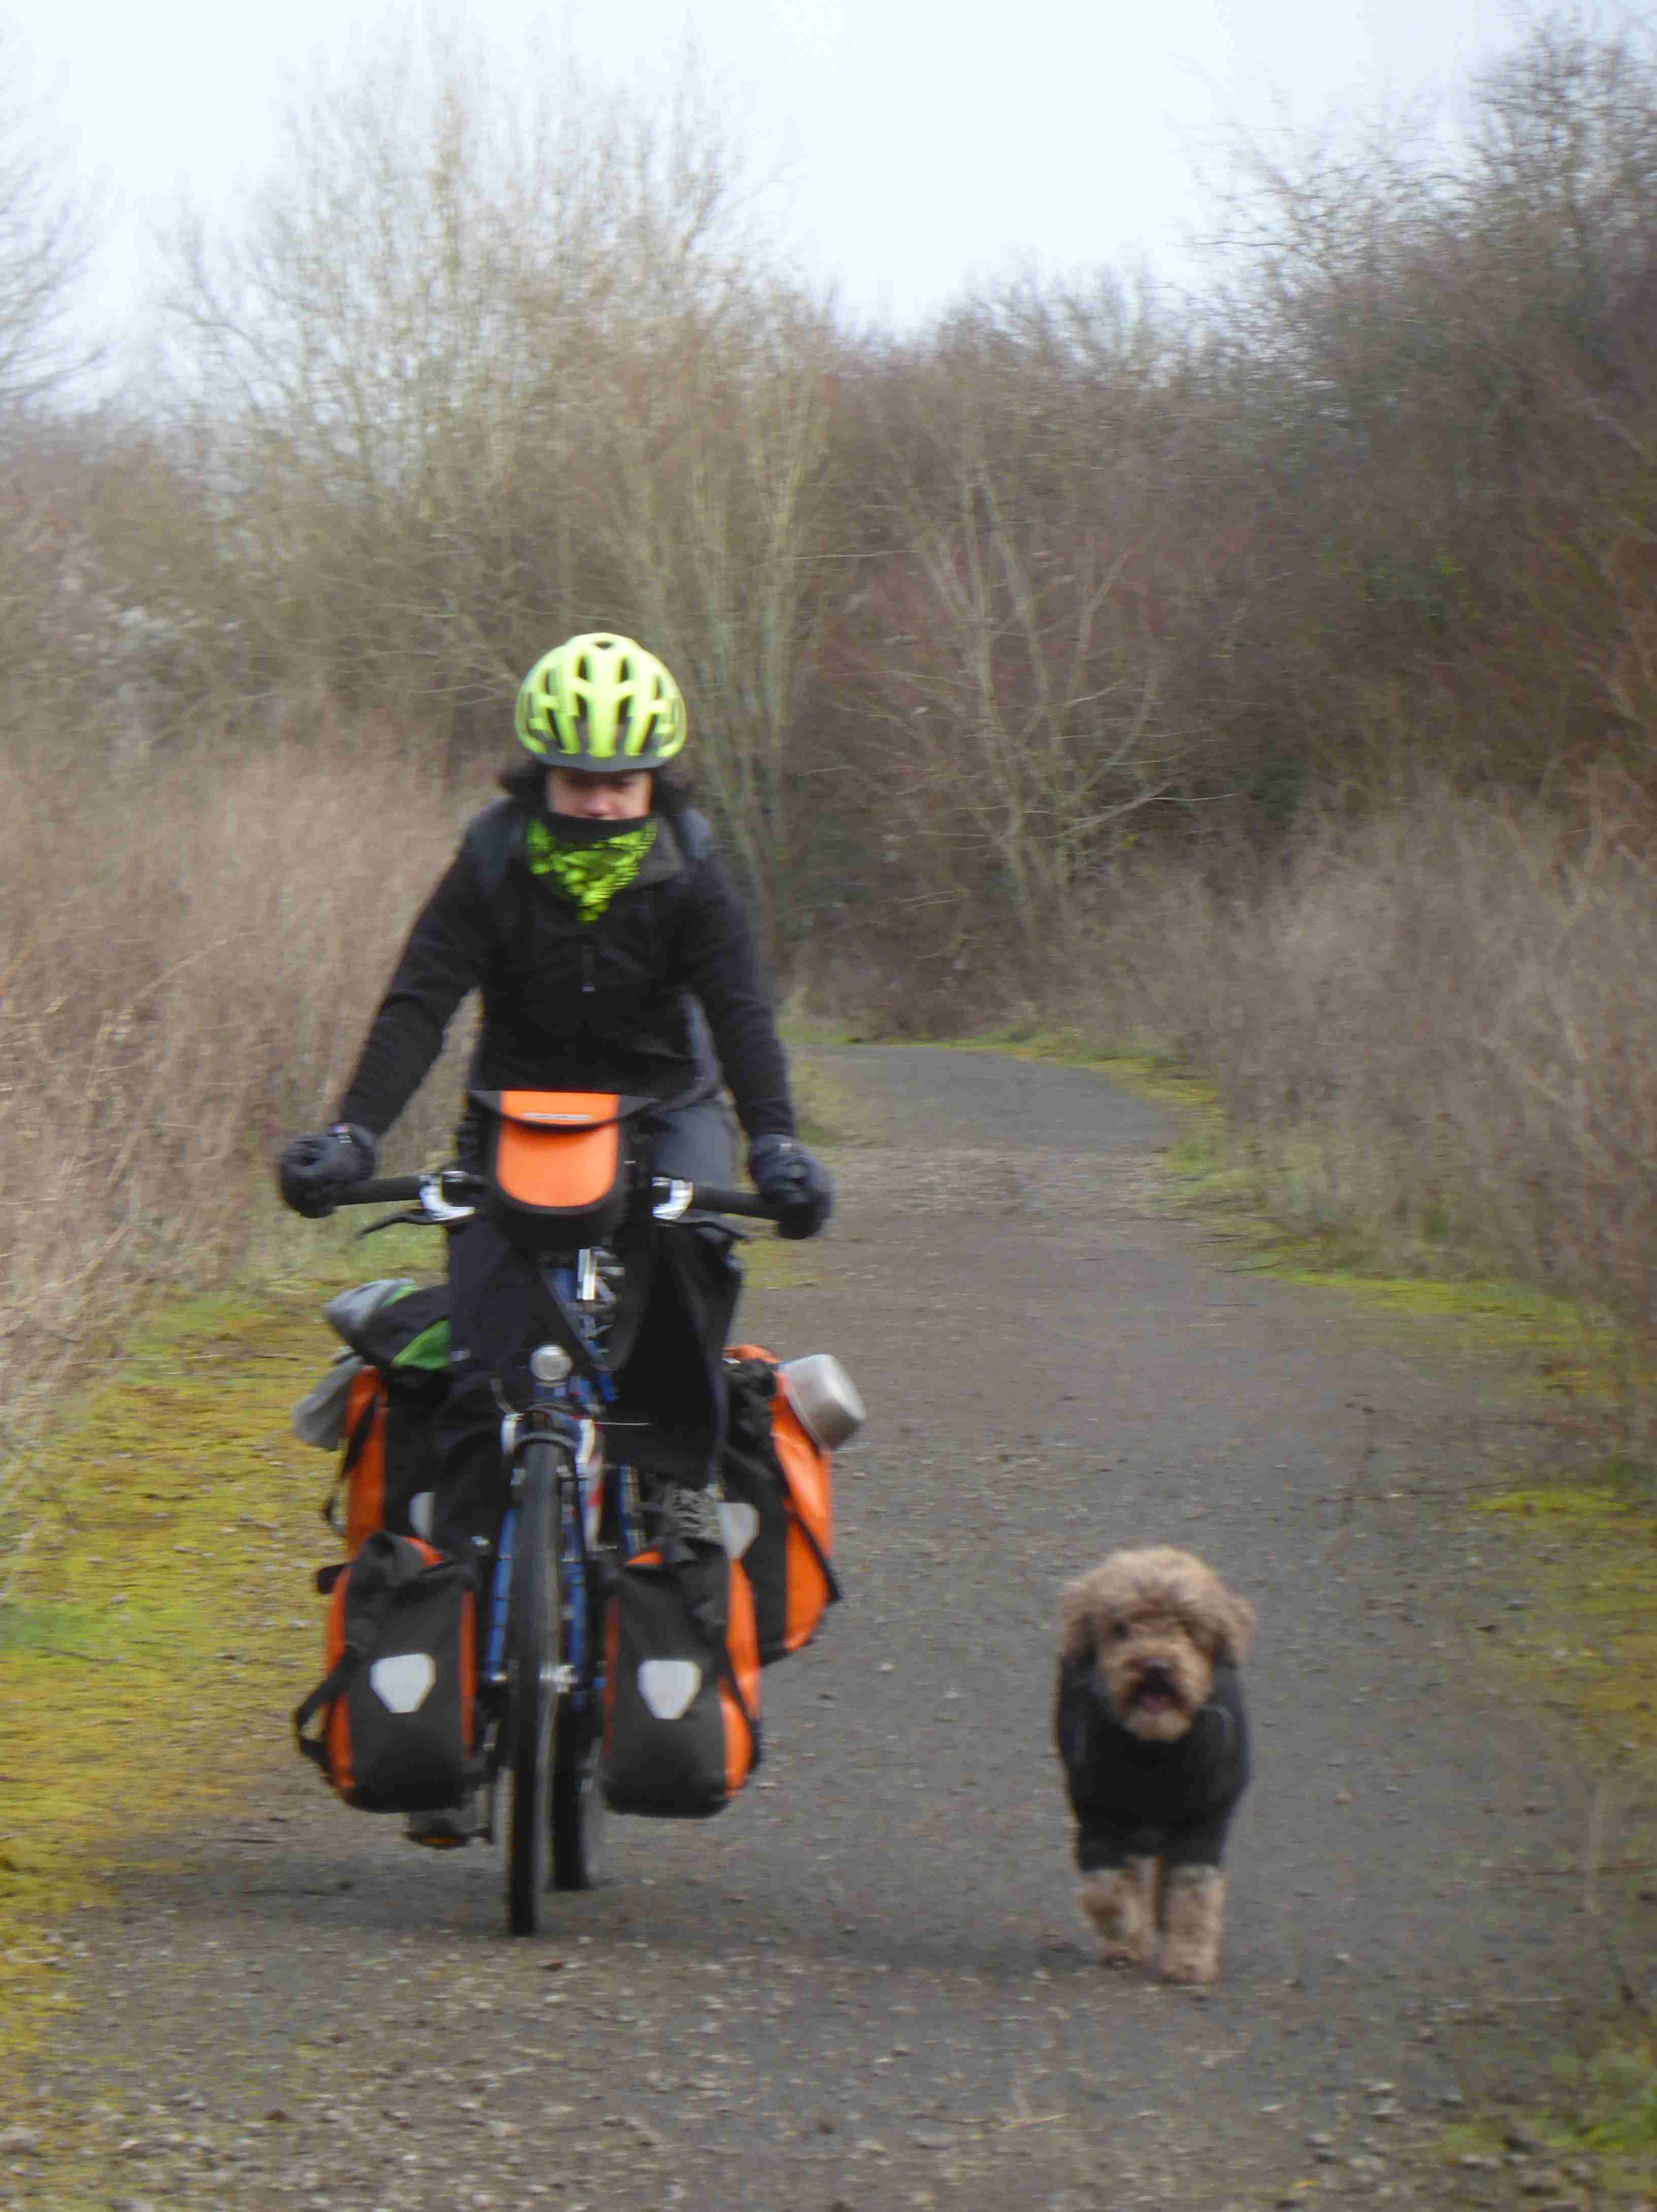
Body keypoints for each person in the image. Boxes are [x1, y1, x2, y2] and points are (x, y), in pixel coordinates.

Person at [277, 628, 833, 1567]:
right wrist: (351, 1136)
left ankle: (678, 1481)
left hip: (663, 1101)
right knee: (487, 1343)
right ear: (542, 778)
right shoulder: (492, 860)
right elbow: (421, 1003)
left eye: (624, 784)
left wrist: (776, 1145)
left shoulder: (691, 867)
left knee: (694, 1252)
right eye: (580, 783)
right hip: (520, 1106)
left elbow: (739, 1014)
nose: (603, 805)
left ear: (657, 781)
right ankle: (468, 1541)